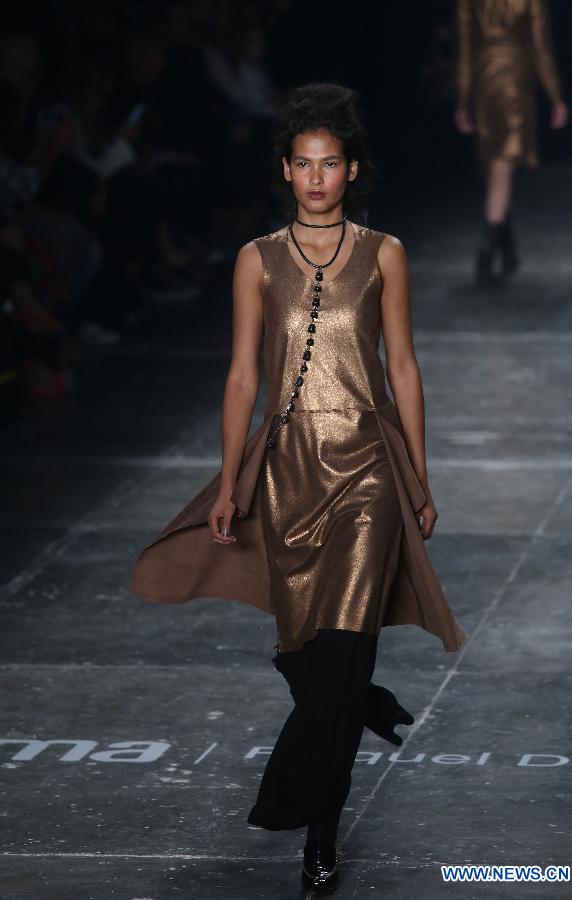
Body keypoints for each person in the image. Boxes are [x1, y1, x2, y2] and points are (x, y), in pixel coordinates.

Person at [131, 82, 466, 893]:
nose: (316, 178)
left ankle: (317, 832)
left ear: (351, 171)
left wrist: (416, 476)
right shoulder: (256, 259)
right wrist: (226, 482)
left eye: (331, 164)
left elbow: (404, 367)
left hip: (364, 475)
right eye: (303, 165)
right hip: (283, 475)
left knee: (344, 648)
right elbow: (242, 375)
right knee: (307, 660)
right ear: (285, 170)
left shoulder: (384, 254)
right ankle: (366, 702)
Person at [454, 0, 569, 283]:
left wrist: (463, 100)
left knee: (494, 162)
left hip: (483, 77)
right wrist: (555, 95)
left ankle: (504, 245)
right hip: (515, 79)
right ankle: (489, 243)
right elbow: (541, 47)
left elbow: (465, 49)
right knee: (502, 163)